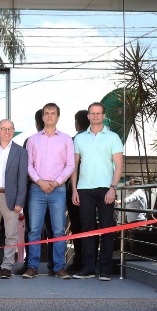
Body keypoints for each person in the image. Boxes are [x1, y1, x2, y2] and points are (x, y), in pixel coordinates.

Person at [71, 102, 124, 281]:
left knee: (107, 229)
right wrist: (74, 190)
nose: (95, 116)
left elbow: (119, 166)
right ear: (88, 116)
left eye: (98, 113)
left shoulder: (113, 137)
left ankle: (105, 270)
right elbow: (74, 167)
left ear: (103, 116)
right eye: (92, 113)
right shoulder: (79, 139)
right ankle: (88, 268)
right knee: (86, 229)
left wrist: (113, 188)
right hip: (84, 189)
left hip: (105, 189)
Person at [24, 103, 75, 279]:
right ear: (43, 117)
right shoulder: (33, 140)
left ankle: (59, 267)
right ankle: (32, 267)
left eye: (53, 113)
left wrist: (55, 182)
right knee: (34, 230)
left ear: (58, 117)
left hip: (58, 190)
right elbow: (28, 165)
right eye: (47, 113)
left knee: (59, 230)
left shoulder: (67, 139)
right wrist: (40, 182)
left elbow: (70, 165)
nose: (50, 116)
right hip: (37, 189)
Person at [0, 119, 27, 279]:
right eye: (4, 128)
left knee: (11, 235)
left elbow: (22, 179)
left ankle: (7, 266)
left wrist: (20, 202)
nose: (7, 131)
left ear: (13, 131)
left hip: (11, 198)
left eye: (10, 129)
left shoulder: (21, 151)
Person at [65, 109, 90, 273]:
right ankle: (89, 261)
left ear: (77, 123)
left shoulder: (72, 141)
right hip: (93, 190)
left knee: (77, 227)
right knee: (90, 227)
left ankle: (79, 261)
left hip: (74, 190)